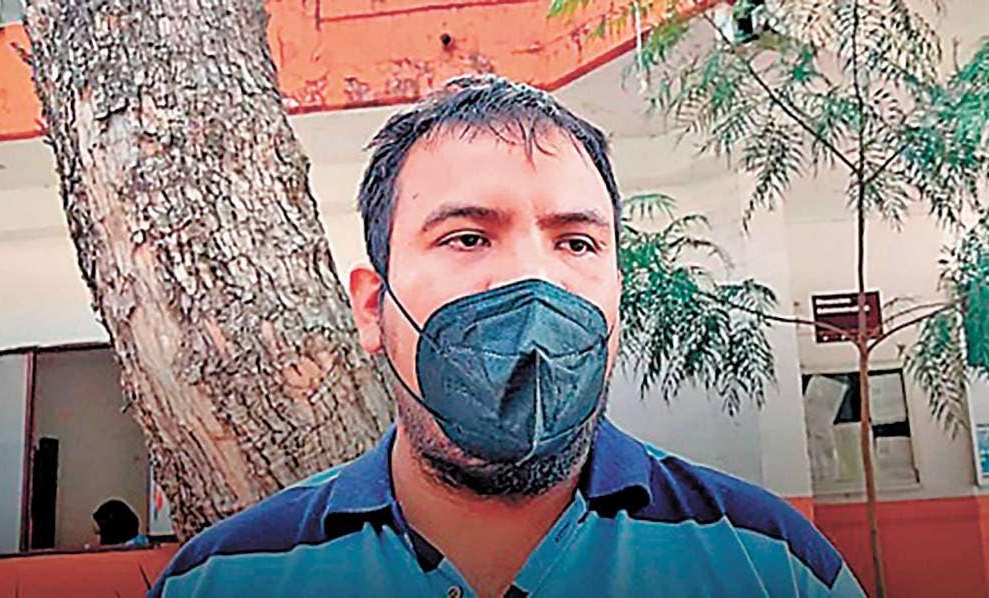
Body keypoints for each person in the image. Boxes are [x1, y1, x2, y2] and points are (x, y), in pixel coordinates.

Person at [150, 75, 864, 597]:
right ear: (372, 307)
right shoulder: (220, 581)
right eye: (467, 237)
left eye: (576, 243)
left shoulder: (773, 566)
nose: (533, 280)